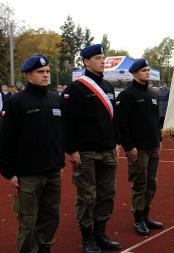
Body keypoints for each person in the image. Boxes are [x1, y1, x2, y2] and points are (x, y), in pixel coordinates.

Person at [0, 55, 64, 253]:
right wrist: (10, 173)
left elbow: (59, 134)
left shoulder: (55, 98)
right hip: (28, 174)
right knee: (28, 221)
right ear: (28, 75)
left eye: (47, 71)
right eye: (40, 72)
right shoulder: (17, 101)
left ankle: (45, 248)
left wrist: (59, 163)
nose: (45, 75)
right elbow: (6, 139)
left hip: (52, 170)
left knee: (51, 216)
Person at [62, 44, 121, 253]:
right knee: (86, 196)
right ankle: (87, 239)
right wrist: (72, 150)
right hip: (86, 152)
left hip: (107, 149)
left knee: (107, 194)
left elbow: (113, 120)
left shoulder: (108, 87)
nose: (102, 60)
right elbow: (68, 123)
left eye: (103, 57)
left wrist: (116, 142)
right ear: (86, 62)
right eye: (97, 58)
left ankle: (100, 234)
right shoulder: (76, 89)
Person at [116, 59, 163, 236]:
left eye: (148, 69)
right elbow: (122, 123)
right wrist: (129, 147)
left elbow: (154, 120)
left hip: (153, 145)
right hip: (138, 148)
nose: (147, 72)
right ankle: (138, 220)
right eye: (144, 70)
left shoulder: (152, 94)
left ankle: (146, 215)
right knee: (140, 184)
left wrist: (159, 138)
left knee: (152, 183)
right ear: (135, 73)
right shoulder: (127, 95)